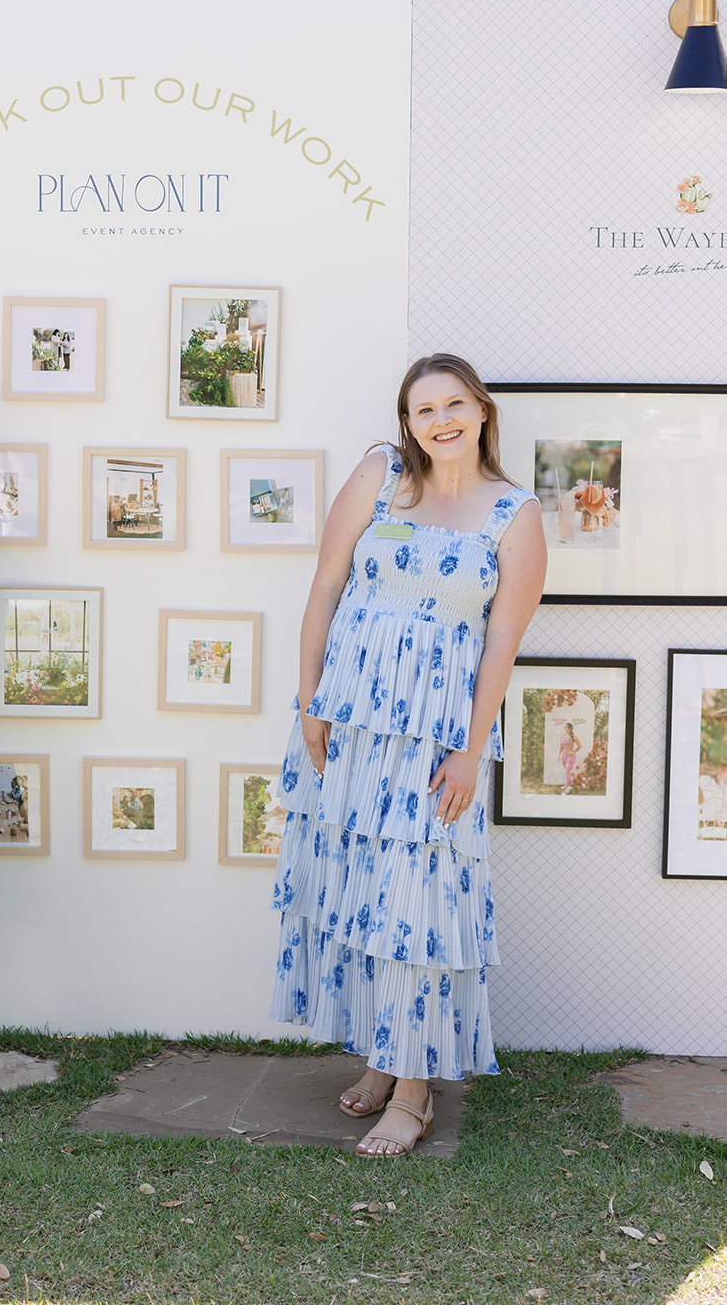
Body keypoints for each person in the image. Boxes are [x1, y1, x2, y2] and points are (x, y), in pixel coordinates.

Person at [271, 353, 546, 1156]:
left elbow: (501, 643)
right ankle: (383, 1059)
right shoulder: (379, 476)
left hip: (434, 741)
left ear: (482, 410)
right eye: (424, 409)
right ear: (407, 422)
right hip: (351, 723)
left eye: (454, 404)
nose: (440, 420)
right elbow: (324, 589)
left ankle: (415, 1091)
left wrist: (469, 751)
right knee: (361, 888)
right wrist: (309, 702)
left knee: (416, 903)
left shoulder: (515, 512)